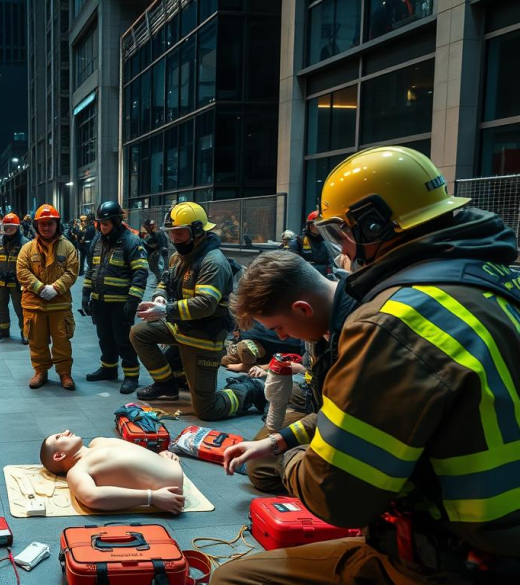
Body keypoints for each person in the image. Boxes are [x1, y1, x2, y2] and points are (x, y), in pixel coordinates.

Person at [212, 146, 520, 583]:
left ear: (374, 225)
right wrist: (281, 440)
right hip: (493, 539)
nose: (343, 248)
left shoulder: (393, 322)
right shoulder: (497, 284)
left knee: (233, 579)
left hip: (459, 559)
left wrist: (293, 457)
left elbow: (337, 497)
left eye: (341, 233)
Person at [223, 251, 357, 492]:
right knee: (260, 466)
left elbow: (345, 417)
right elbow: (332, 409)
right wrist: (278, 442)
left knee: (299, 471)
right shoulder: (325, 319)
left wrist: (285, 448)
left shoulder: (360, 332)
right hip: (324, 412)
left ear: (303, 309)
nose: (282, 337)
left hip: (366, 446)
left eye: (280, 328)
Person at [129, 203, 264, 420]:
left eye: (179, 233)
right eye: (171, 233)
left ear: (198, 231)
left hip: (204, 336)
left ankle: (250, 389)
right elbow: (165, 280)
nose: (174, 238)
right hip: (180, 326)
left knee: (206, 411)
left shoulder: (213, 262)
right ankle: (167, 385)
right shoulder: (180, 256)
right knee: (139, 333)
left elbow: (205, 304)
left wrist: (165, 310)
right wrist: (160, 296)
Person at [82, 201, 149, 394]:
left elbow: (140, 273)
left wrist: (133, 301)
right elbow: (91, 271)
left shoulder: (131, 242)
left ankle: (131, 375)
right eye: (100, 224)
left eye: (106, 223)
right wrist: (86, 295)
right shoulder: (97, 240)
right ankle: (109, 369)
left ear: (117, 221)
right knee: (104, 338)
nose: (102, 227)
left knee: (123, 340)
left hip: (121, 304)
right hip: (100, 302)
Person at [39, 431, 185, 514]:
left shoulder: (97, 442)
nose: (66, 431)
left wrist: (160, 456)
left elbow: (133, 454)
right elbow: (91, 497)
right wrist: (152, 497)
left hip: (170, 465)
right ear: (59, 456)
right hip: (169, 490)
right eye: (59, 437)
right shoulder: (77, 471)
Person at [17, 204, 80, 390]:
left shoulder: (68, 247)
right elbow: (21, 271)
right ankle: (40, 371)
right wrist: (39, 287)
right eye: (42, 224)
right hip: (33, 305)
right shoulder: (27, 248)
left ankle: (64, 373)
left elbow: (72, 271)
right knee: (37, 342)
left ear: (56, 224)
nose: (46, 227)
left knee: (62, 341)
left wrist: (56, 288)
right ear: (37, 226)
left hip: (59, 305)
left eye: (50, 224)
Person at [0, 212, 30, 342]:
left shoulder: (25, 244)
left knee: (21, 309)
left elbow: (30, 264)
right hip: (1, 283)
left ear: (17, 227)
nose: (8, 229)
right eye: (6, 227)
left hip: (17, 284)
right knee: (0, 307)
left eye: (11, 227)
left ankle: (25, 333)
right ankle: (3, 330)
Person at [292, 210, 334, 275]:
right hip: (306, 278)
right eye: (319, 224)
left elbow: (331, 263)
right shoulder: (299, 241)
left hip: (324, 279)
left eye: (322, 224)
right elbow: (292, 264)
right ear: (310, 226)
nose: (322, 227)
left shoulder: (325, 242)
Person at [142, 218, 168, 284]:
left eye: (146, 227)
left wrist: (146, 244)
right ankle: (159, 279)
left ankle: (161, 280)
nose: (145, 228)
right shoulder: (149, 235)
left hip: (157, 253)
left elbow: (156, 245)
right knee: (153, 268)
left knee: (157, 268)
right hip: (153, 253)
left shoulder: (157, 234)